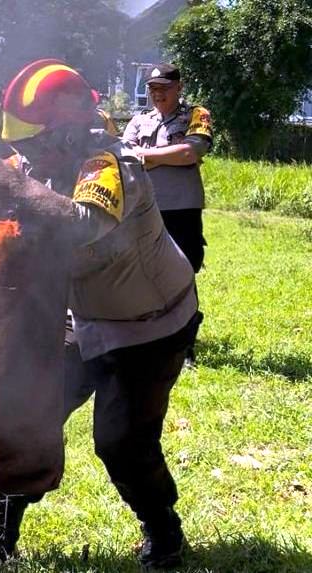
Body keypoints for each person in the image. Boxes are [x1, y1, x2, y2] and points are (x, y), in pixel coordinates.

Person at [0, 59, 200, 572]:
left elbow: (81, 224)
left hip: (146, 325)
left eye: (35, 142)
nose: (24, 156)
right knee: (21, 418)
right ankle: (0, 534)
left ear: (67, 132)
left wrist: (5, 188)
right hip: (79, 319)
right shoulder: (32, 169)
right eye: (18, 144)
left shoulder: (110, 166)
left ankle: (165, 534)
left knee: (121, 443)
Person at [123, 63, 213, 365]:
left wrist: (144, 156)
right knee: (143, 272)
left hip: (181, 209)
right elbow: (124, 158)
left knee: (183, 273)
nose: (157, 94)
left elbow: (190, 152)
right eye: (153, 89)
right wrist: (166, 157)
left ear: (179, 87)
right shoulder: (138, 120)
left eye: (164, 87)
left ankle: (185, 347)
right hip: (143, 209)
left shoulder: (196, 116)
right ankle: (147, 338)